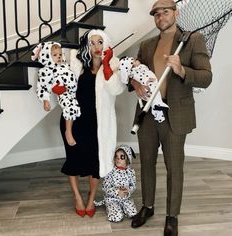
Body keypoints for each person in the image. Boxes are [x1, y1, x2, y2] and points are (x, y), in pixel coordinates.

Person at [130, 0, 212, 235]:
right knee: (146, 162)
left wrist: (182, 70)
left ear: (175, 13)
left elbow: (206, 77)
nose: (160, 17)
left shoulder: (192, 40)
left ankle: (172, 216)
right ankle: (147, 206)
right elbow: (133, 73)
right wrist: (134, 82)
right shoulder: (146, 45)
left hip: (174, 115)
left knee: (174, 167)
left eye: (165, 12)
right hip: (146, 114)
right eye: (156, 14)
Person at [53, 29, 125, 218]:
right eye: (92, 43)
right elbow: (59, 79)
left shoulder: (113, 66)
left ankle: (91, 197)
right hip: (74, 123)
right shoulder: (76, 66)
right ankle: (77, 196)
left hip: (98, 126)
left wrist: (108, 65)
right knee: (73, 161)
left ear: (106, 44)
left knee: (95, 163)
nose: (96, 47)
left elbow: (117, 89)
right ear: (87, 45)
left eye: (99, 42)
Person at [32, 41, 80, 146]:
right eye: (54, 55)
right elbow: (43, 86)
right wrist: (45, 100)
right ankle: (68, 132)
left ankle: (71, 130)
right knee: (69, 108)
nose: (58, 57)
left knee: (75, 109)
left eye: (59, 54)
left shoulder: (64, 66)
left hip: (72, 91)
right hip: (63, 93)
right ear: (47, 56)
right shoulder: (47, 71)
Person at [94, 144, 137, 222]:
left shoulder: (131, 172)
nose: (118, 159)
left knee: (133, 213)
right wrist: (117, 192)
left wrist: (128, 191)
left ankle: (123, 207)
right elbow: (105, 187)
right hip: (112, 198)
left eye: (122, 157)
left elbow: (133, 185)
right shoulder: (111, 171)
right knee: (116, 217)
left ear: (128, 159)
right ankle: (111, 208)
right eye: (116, 156)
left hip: (125, 198)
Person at [119, 56, 168, 123]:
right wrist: (134, 82)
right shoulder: (135, 71)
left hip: (153, 86)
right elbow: (137, 78)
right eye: (135, 61)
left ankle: (158, 111)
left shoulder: (139, 68)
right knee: (154, 95)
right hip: (148, 87)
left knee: (155, 97)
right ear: (131, 66)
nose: (137, 60)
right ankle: (158, 107)